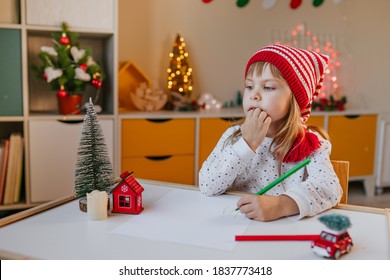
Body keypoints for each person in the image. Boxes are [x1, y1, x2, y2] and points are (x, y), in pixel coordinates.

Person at [199, 44, 342, 222]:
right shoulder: (234, 135)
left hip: (283, 231)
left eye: (268, 87)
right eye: (249, 86)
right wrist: (246, 144)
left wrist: (282, 205)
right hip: (235, 225)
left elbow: (329, 188)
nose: (254, 95)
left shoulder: (309, 143)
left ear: (295, 99)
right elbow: (207, 185)